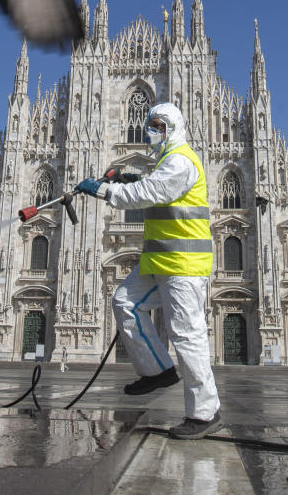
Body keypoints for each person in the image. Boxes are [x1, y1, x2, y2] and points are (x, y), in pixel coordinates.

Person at [74, 102, 222, 440]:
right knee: (124, 301)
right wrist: (130, 177)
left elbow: (151, 192)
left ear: (172, 127)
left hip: (183, 266)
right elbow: (154, 186)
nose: (150, 131)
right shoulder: (167, 162)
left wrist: (105, 190)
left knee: (186, 334)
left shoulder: (182, 160)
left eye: (157, 125)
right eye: (149, 124)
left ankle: (205, 412)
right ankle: (158, 370)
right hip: (159, 263)